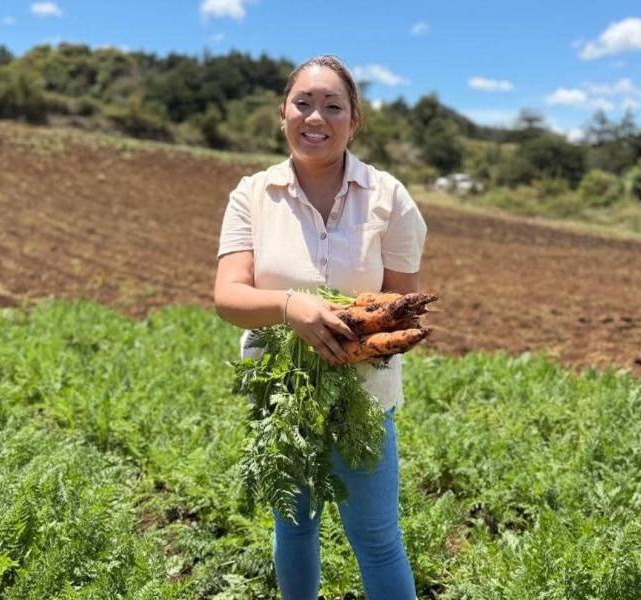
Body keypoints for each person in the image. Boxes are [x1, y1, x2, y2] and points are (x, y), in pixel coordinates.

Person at [213, 55, 426, 600]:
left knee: (376, 536)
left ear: (354, 121)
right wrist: (292, 307)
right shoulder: (254, 195)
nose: (316, 116)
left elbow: (400, 304)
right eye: (303, 102)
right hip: (282, 396)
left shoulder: (388, 198)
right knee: (294, 525)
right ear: (281, 112)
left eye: (333, 106)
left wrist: (358, 338)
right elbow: (228, 296)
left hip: (365, 397)